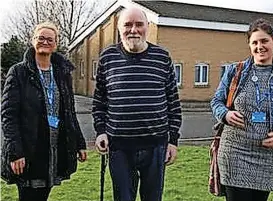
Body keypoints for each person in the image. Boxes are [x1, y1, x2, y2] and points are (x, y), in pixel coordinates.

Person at [92, 7, 182, 201]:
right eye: (128, 25)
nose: (134, 30)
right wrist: (100, 131)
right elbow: (100, 101)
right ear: (119, 28)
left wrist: (173, 140)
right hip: (119, 147)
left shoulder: (162, 57)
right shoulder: (107, 57)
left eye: (139, 24)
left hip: (156, 145)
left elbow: (173, 102)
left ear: (147, 27)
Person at [210, 18, 273, 201]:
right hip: (235, 153)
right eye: (254, 42)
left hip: (268, 158)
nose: (259, 46)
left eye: (264, 41)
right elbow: (216, 101)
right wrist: (225, 114)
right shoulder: (234, 71)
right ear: (249, 46)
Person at [1, 21, 87, 201]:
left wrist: (79, 142)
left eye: (50, 39)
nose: (45, 42)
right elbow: (8, 115)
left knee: (43, 196)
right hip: (29, 148)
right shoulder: (18, 72)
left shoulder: (62, 73)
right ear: (33, 41)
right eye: (41, 38)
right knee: (29, 195)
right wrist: (16, 152)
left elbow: (69, 111)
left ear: (55, 44)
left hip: (54, 149)